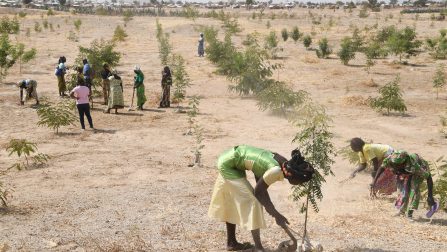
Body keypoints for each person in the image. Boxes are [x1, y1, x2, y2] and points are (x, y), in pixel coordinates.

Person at [208, 145, 314, 251]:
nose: (299, 184)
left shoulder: (283, 163)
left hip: (231, 160)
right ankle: (258, 248)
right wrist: (276, 215)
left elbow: (261, 186)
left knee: (232, 200)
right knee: (254, 203)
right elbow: (258, 193)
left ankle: (231, 243)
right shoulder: (276, 170)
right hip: (229, 165)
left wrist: (275, 214)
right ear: (290, 174)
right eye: (300, 181)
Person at [372, 150, 436, 219]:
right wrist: (374, 182)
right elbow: (381, 168)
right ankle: (402, 211)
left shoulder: (415, 166)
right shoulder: (391, 159)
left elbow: (428, 177)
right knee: (403, 191)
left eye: (397, 165)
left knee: (414, 189)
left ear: (403, 164)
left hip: (418, 169)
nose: (394, 166)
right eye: (394, 165)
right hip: (407, 171)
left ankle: (409, 214)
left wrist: (430, 196)